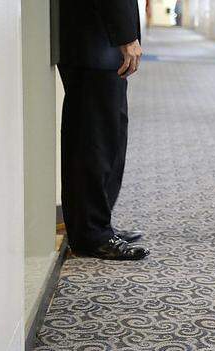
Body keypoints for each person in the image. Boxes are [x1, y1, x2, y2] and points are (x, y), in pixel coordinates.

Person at [58, 0, 150, 260]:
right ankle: (91, 234)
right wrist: (125, 36)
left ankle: (98, 224)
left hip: (99, 40)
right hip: (96, 39)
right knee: (93, 142)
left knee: (109, 136)